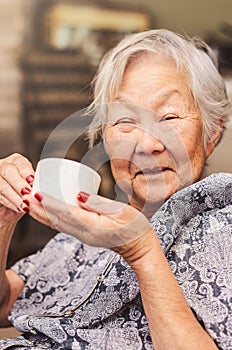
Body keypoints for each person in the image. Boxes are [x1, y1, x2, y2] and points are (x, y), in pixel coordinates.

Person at [0, 28, 231, 350]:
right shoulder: (87, 222)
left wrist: (142, 252)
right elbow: (6, 301)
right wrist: (4, 220)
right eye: (125, 121)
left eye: (169, 116)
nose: (147, 144)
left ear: (212, 134)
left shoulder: (224, 230)